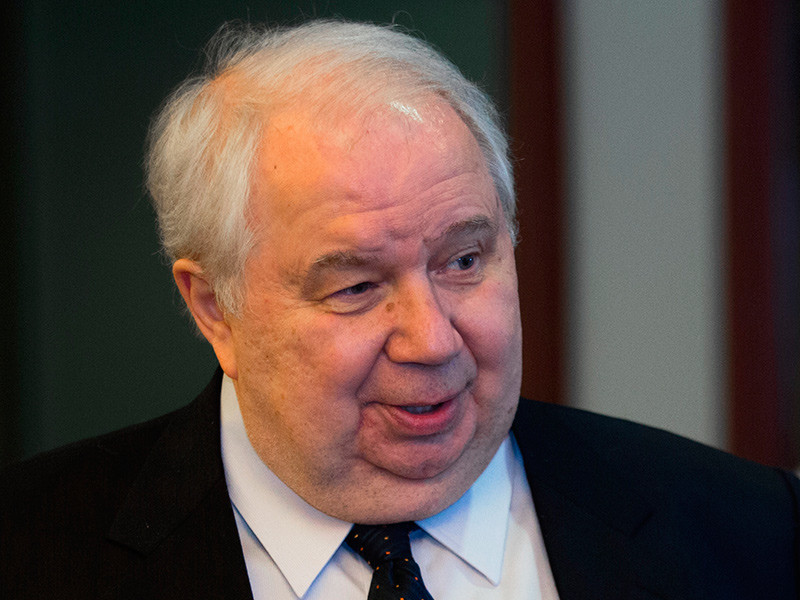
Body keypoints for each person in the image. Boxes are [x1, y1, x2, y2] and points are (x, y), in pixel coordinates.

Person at [1, 19, 798, 600]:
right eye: (355, 288)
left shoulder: (750, 533)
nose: (432, 340)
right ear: (215, 310)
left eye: (463, 261)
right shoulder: (33, 551)